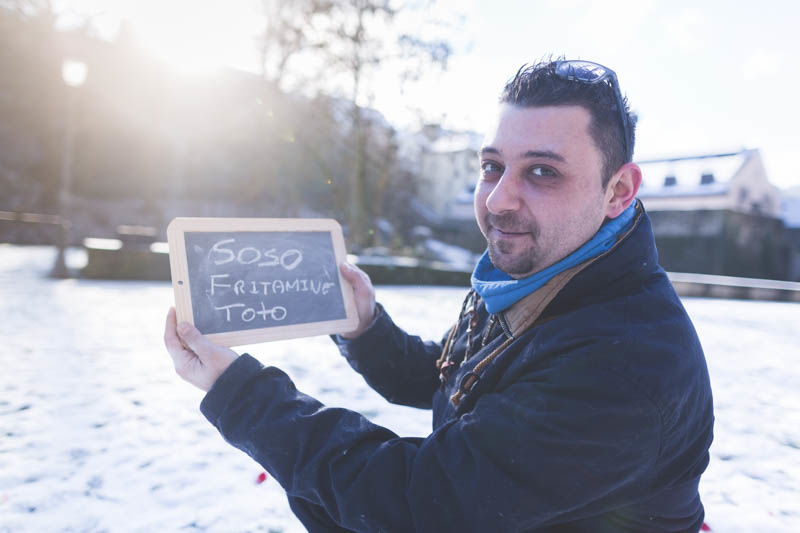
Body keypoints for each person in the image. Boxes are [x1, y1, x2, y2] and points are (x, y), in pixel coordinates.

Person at [164, 59, 714, 532]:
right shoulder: (533, 276)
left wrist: (239, 393)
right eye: (492, 167)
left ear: (618, 191)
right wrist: (365, 327)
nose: (498, 201)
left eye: (542, 172)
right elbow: (450, 379)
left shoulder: (628, 367)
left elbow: (420, 500)